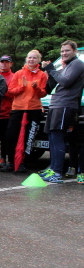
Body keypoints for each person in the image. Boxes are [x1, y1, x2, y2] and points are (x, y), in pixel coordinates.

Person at [40, 40, 84, 183]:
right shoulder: (66, 66)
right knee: (52, 137)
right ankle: (53, 168)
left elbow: (65, 81)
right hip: (55, 104)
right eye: (62, 51)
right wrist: (50, 72)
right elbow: (51, 87)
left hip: (66, 105)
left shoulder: (77, 64)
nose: (64, 53)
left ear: (75, 51)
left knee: (58, 136)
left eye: (67, 51)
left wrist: (52, 69)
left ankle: (57, 172)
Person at [3, 50, 48, 173]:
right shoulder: (19, 73)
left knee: (29, 137)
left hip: (34, 109)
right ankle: (11, 162)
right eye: (29, 57)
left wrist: (36, 88)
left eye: (34, 58)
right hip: (18, 108)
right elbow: (10, 91)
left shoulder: (42, 75)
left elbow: (43, 93)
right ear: (26, 59)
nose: (31, 60)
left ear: (39, 60)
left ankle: (23, 162)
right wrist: (22, 87)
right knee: (11, 135)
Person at [0, 55, 15, 169]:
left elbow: (13, 92)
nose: (4, 64)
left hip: (7, 112)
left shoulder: (14, 76)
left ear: (11, 64)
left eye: (6, 62)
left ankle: (3, 157)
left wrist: (0, 91)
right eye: (2, 62)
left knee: (5, 137)